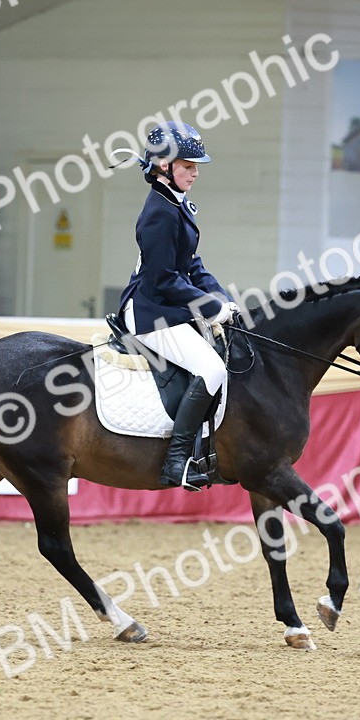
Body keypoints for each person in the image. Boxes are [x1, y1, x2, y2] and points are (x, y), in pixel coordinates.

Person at [115, 122, 239, 491]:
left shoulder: (176, 203)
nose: (196, 172)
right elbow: (161, 280)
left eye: (196, 165)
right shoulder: (159, 212)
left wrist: (221, 298)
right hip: (150, 312)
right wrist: (206, 306)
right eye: (188, 165)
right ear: (165, 166)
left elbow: (192, 265)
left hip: (168, 307)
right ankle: (178, 461)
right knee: (212, 369)